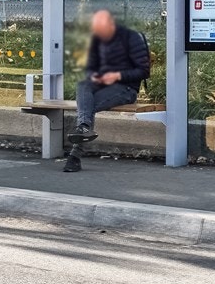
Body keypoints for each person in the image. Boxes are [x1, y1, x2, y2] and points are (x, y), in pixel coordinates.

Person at [63, 10, 150, 172]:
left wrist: (117, 75)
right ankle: (83, 127)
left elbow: (144, 71)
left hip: (126, 88)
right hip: (102, 86)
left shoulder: (132, 39)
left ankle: (75, 154)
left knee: (88, 106)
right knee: (83, 84)